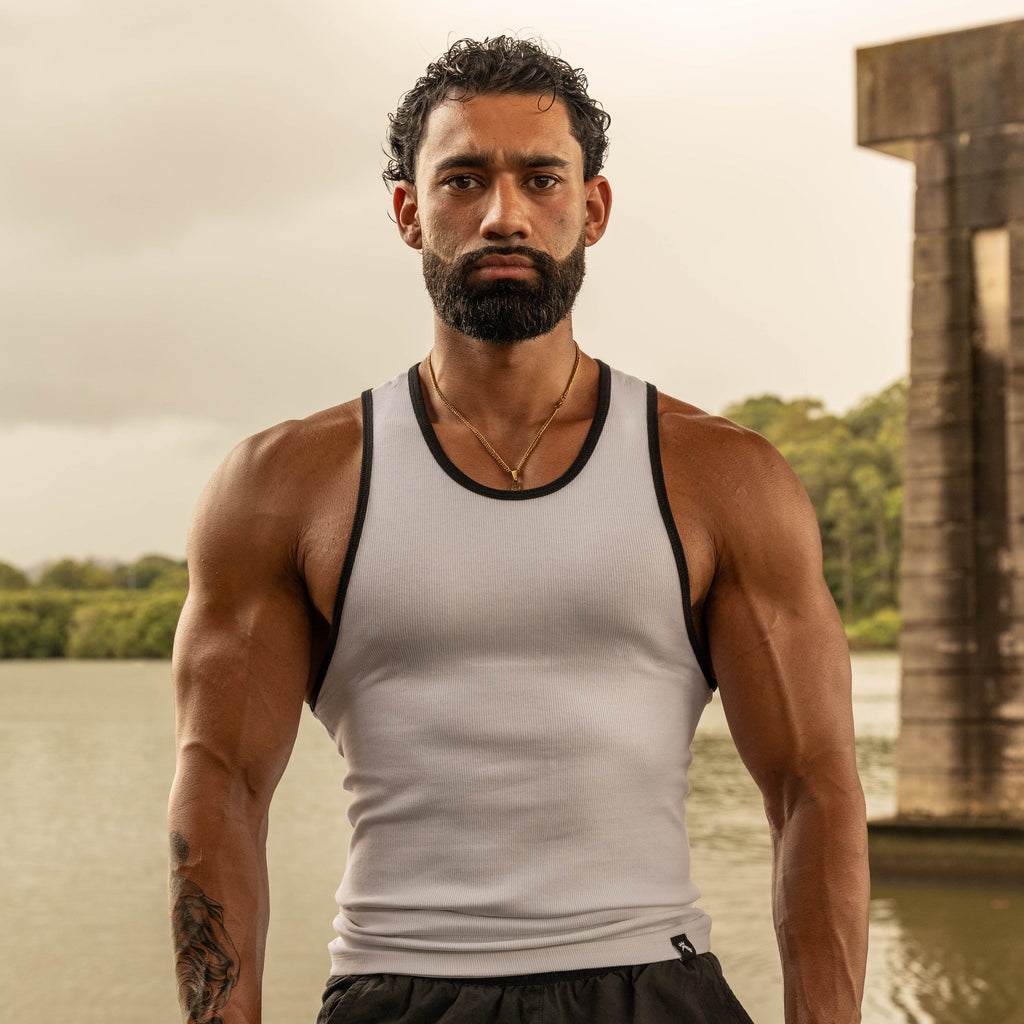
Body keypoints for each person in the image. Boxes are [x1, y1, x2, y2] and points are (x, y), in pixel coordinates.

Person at [168, 35, 869, 1024]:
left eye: (540, 178)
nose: (503, 213)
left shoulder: (721, 478)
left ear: (592, 207)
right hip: (396, 988)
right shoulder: (284, 484)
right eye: (462, 180)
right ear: (410, 212)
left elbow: (814, 787)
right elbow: (221, 783)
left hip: (654, 986)